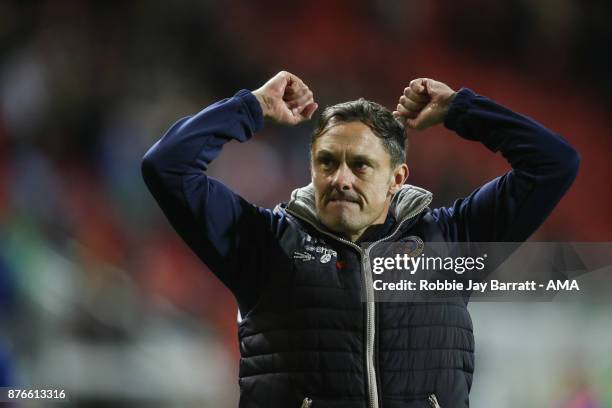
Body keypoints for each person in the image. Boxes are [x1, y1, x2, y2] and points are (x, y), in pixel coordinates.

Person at [141, 71, 579, 408]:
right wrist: (251, 106)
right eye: (327, 162)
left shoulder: (452, 240)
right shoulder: (262, 243)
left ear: (397, 179)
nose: (341, 179)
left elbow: (553, 163)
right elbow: (166, 167)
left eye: (361, 165)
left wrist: (462, 109)